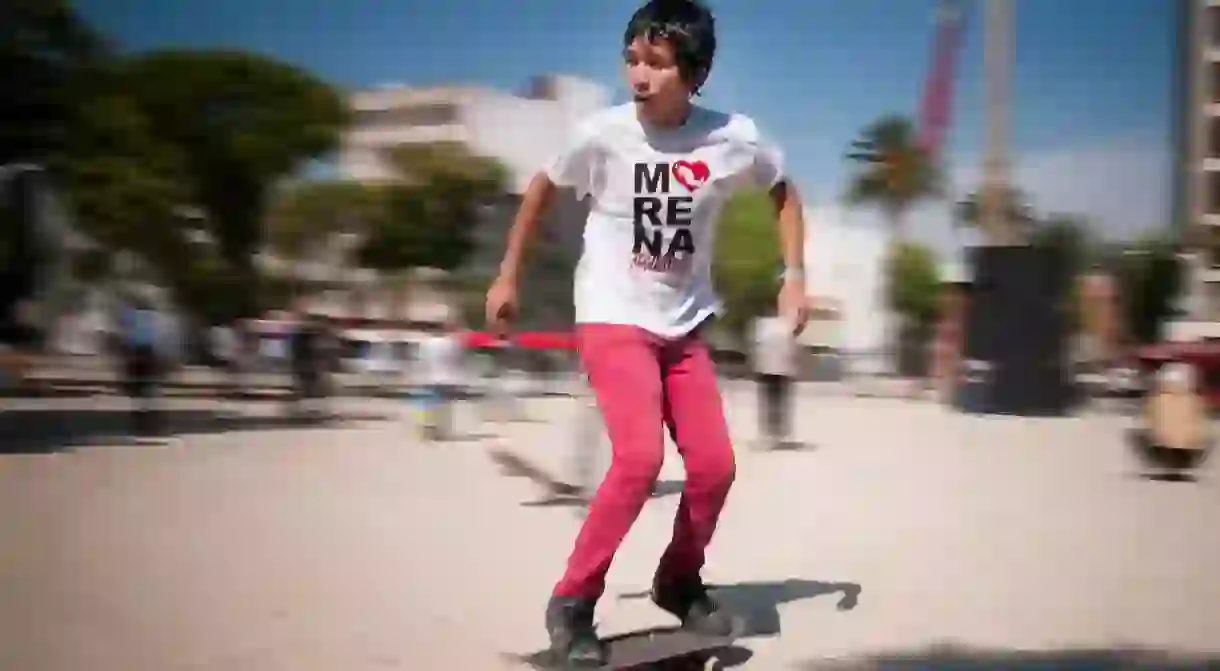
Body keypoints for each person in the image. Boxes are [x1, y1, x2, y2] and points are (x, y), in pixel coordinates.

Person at [484, 0, 809, 665]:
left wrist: (794, 273)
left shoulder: (732, 137)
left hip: (684, 324)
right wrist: (508, 273)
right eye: (631, 58)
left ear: (694, 72)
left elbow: (782, 190)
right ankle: (572, 600)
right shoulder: (601, 134)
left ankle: (677, 578)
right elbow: (543, 185)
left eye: (656, 64)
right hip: (611, 312)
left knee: (715, 467)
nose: (639, 74)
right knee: (638, 459)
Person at [751, 310, 798, 450]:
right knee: (779, 403)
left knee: (768, 403)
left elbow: (758, 348)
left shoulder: (762, 326)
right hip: (782, 371)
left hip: (767, 370)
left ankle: (770, 433)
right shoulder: (785, 326)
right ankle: (776, 432)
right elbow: (791, 350)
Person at [413, 316, 466, 440]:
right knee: (445, 407)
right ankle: (441, 431)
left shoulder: (425, 344)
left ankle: (428, 428)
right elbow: (458, 361)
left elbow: (421, 361)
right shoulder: (453, 343)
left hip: (430, 378)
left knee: (429, 405)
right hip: (448, 379)